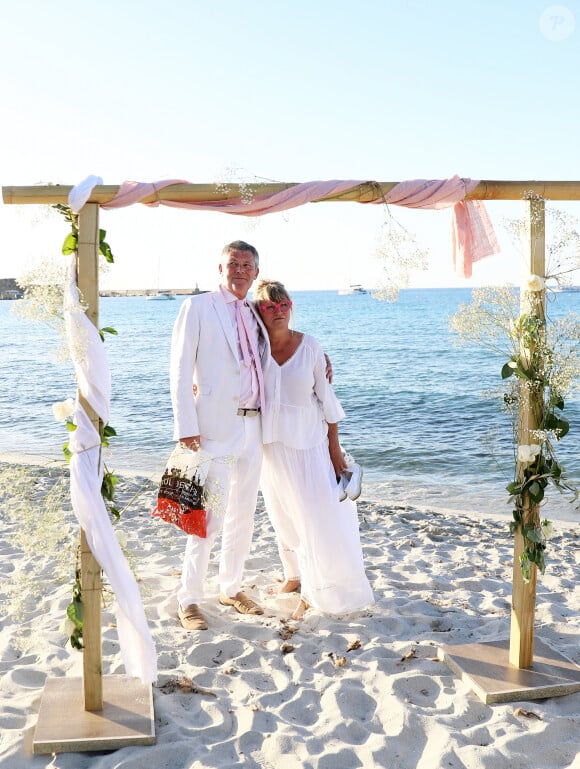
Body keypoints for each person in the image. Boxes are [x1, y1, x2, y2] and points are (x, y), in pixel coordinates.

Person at [254, 279, 374, 620]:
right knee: (282, 515)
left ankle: (315, 588)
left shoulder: (310, 348)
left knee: (315, 518)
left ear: (291, 307)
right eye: (269, 306)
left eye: (283, 305)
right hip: (270, 448)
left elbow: (328, 403)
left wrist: (334, 452)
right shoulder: (254, 349)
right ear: (259, 312)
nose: (278, 311)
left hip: (309, 447)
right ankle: (293, 575)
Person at [169, 240, 267, 630]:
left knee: (243, 513)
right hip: (212, 426)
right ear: (221, 268)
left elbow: (269, 361)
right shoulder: (198, 307)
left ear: (256, 272)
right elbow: (178, 369)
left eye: (247, 264)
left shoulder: (257, 313)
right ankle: (189, 598)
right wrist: (185, 424)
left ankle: (230, 586)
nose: (240, 269)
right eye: (234, 263)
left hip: (254, 426)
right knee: (206, 515)